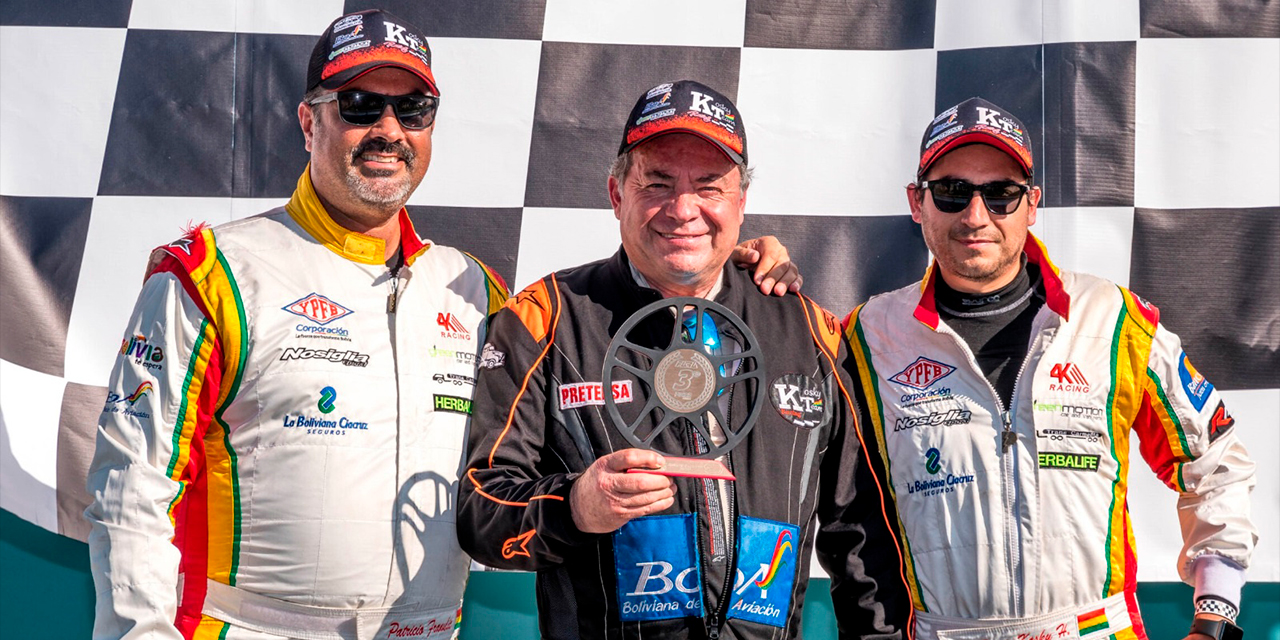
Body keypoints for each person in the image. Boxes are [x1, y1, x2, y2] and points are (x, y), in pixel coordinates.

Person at [84, 11, 801, 639]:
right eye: (360, 104)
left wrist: (724, 271)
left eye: (414, 109)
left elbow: (506, 475)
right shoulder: (215, 271)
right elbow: (130, 484)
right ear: (309, 121)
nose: (388, 131)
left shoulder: (472, 289)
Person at [457, 79, 911, 639]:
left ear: (740, 204)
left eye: (709, 187)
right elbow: (481, 509)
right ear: (616, 194)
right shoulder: (544, 321)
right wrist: (574, 506)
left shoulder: (810, 331)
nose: (683, 209)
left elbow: (861, 537)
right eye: (658, 182)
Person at [841, 97, 1257, 640]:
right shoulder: (868, 336)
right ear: (916, 203)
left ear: (1032, 204)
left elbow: (1215, 460)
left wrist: (1216, 616)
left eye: (1001, 194)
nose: (975, 215)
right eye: (951, 192)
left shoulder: (1114, 320)